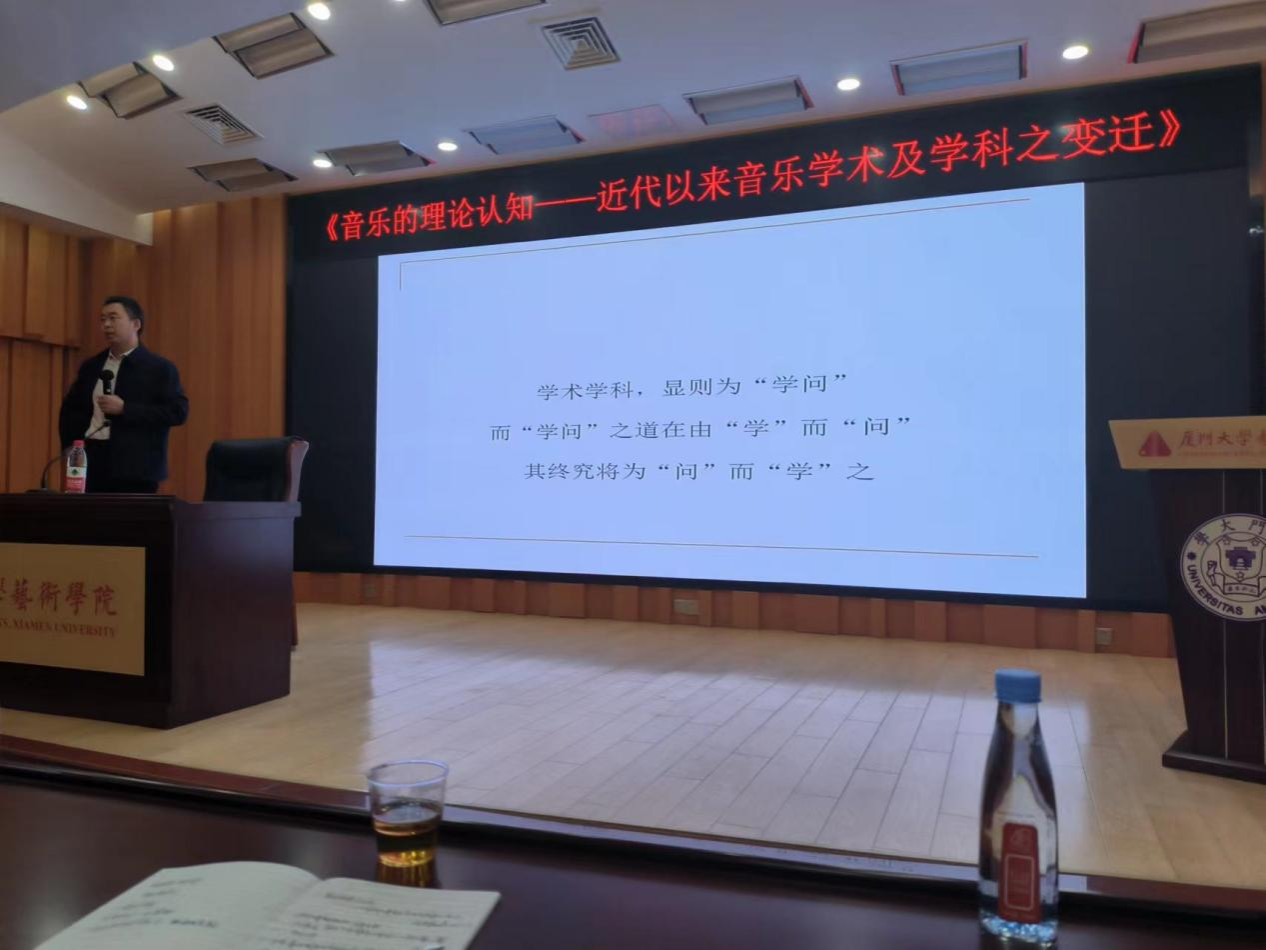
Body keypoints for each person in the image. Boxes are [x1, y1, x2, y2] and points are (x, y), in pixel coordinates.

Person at [57, 296, 189, 493]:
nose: (106, 325)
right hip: (92, 463)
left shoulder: (159, 369)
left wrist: (126, 409)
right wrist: (70, 445)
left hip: (136, 469)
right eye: (102, 319)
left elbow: (178, 412)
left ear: (136, 324)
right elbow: (70, 410)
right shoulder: (92, 366)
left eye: (113, 318)